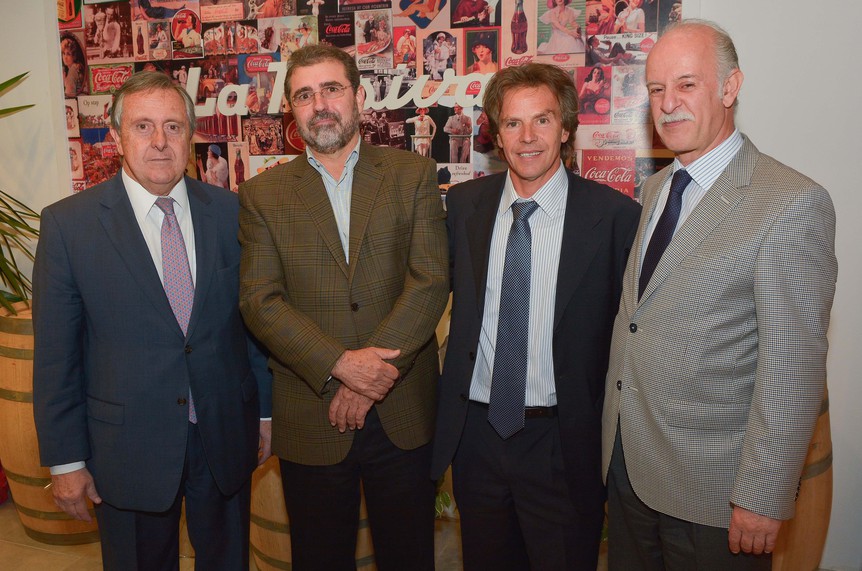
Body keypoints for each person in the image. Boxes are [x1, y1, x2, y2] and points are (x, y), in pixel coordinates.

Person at [601, 19, 837, 570]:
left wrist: (762, 496)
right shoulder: (656, 188)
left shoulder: (790, 203)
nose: (668, 104)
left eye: (687, 84)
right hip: (631, 471)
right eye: (656, 89)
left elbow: (791, 368)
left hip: (715, 497)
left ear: (731, 87)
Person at [32, 71, 272, 571]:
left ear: (191, 134)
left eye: (173, 126)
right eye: (143, 127)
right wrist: (66, 461)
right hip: (126, 449)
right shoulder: (68, 226)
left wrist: (265, 414)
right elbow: (57, 358)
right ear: (116, 137)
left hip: (224, 436)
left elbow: (254, 325)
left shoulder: (232, 213)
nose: (160, 141)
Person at [238, 44, 448, 571]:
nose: (320, 105)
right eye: (304, 95)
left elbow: (429, 281)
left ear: (359, 95)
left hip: (403, 411)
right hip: (312, 412)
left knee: (410, 557)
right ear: (290, 109)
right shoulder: (262, 195)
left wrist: (369, 376)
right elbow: (260, 301)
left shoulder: (413, 174)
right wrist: (340, 365)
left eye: (331, 89)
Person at [431, 62, 641, 570]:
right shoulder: (464, 206)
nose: (527, 137)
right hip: (478, 438)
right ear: (497, 135)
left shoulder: (614, 218)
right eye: (512, 123)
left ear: (565, 128)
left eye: (542, 120)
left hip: (563, 444)